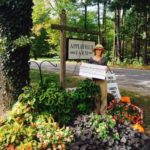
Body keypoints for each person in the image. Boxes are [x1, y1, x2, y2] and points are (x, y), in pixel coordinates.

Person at [89, 44, 108, 115]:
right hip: (95, 80)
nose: (98, 51)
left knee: (104, 96)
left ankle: (103, 112)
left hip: (102, 80)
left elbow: (105, 68)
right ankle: (96, 111)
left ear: (102, 51)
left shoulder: (104, 59)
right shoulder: (91, 59)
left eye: (100, 50)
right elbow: (88, 69)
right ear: (95, 50)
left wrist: (106, 69)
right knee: (96, 96)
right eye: (97, 49)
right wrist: (83, 66)